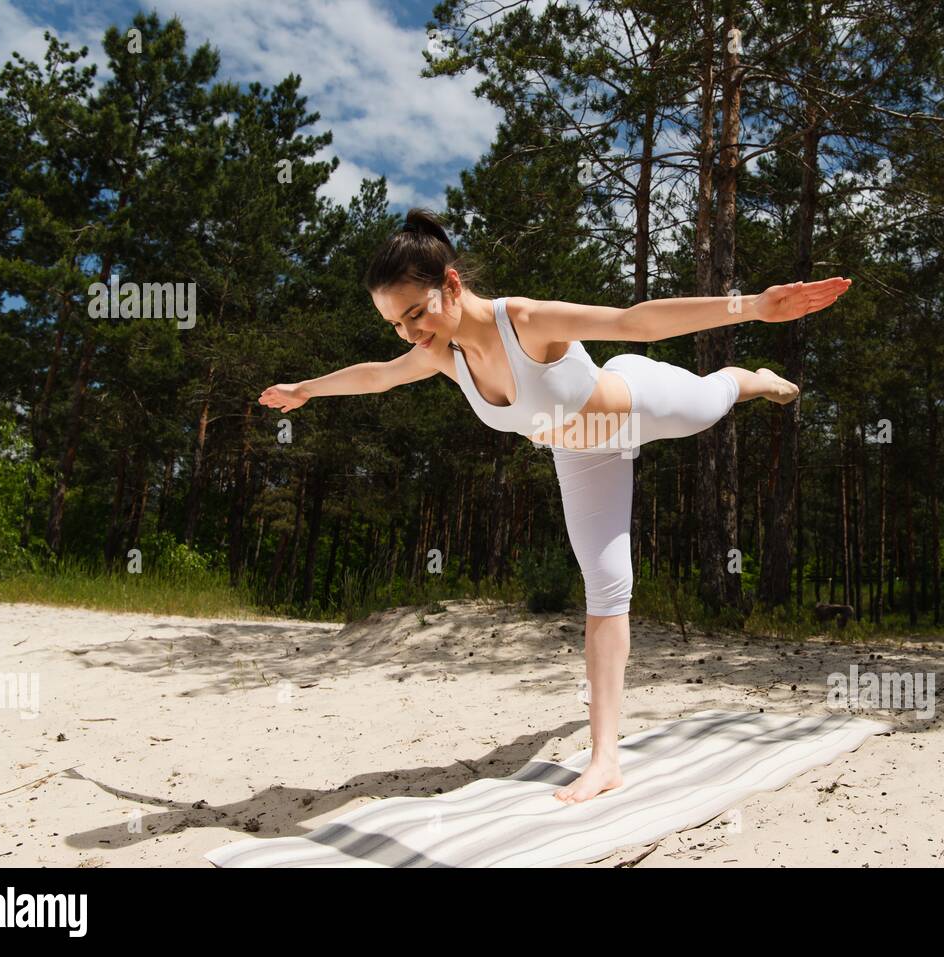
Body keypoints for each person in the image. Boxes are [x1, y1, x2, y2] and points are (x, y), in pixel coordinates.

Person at [259, 208, 851, 804]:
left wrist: (749, 306)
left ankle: (753, 377)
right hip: (582, 454)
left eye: (416, 312)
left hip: (637, 404)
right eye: (394, 322)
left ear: (452, 284)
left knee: (712, 399)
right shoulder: (443, 353)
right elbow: (381, 377)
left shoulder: (523, 321)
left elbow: (634, 321)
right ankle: (605, 759)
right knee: (607, 586)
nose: (410, 331)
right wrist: (306, 390)